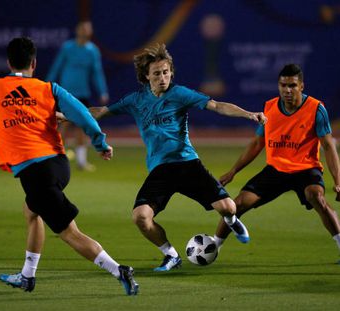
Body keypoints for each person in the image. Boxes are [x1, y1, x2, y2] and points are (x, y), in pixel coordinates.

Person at [0, 37, 139, 295]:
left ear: (8, 62)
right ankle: (27, 276)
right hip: (58, 164)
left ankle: (119, 269)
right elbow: (80, 113)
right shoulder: (49, 88)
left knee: (69, 233)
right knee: (31, 210)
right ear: (33, 63)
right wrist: (100, 143)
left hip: (36, 173)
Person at [90, 43, 267, 271]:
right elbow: (101, 111)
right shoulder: (135, 100)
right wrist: (67, 114)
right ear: (146, 76)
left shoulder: (180, 94)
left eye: (166, 72)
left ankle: (232, 221)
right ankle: (171, 255)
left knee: (228, 208)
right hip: (161, 170)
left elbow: (217, 106)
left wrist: (248, 114)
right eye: (157, 73)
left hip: (187, 164)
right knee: (140, 218)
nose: (163, 77)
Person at [213, 64, 340, 262]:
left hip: (306, 169)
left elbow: (329, 147)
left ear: (301, 86)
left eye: (292, 85)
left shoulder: (316, 109)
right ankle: (214, 246)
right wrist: (233, 171)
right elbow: (257, 144)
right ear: (278, 86)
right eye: (283, 85)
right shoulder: (269, 108)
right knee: (236, 205)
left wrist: (337, 181)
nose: (287, 90)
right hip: (275, 171)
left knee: (316, 196)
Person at [46, 20, 109, 171]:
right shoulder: (67, 47)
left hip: (83, 94)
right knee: (63, 125)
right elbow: (57, 66)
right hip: (66, 93)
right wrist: (46, 85)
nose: (85, 31)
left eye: (88, 29)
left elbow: (97, 72)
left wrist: (102, 91)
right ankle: (55, 159)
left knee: (82, 126)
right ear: (77, 30)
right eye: (83, 28)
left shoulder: (93, 50)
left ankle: (81, 161)